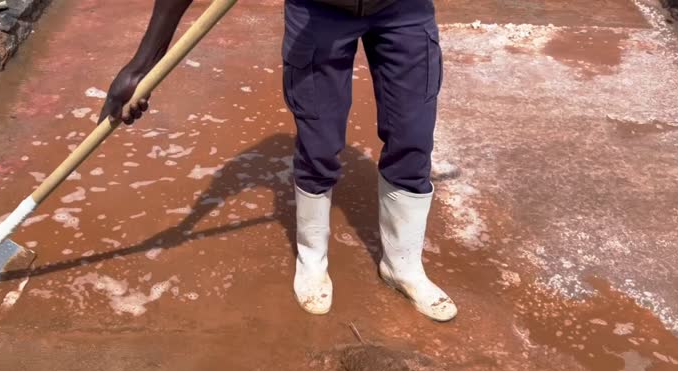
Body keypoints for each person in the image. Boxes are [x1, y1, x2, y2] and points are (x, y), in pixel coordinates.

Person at [99, 0, 457, 321]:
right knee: (319, 141)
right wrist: (143, 63)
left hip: (403, 9)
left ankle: (403, 265)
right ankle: (312, 260)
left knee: (413, 135)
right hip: (320, 10)